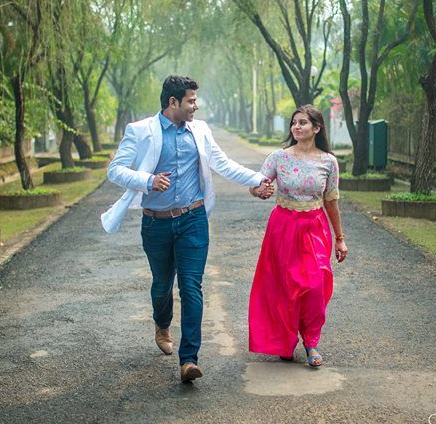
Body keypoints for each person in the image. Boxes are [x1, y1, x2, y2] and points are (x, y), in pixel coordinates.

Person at [102, 75, 275, 382]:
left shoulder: (200, 130)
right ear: (173, 102)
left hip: (193, 219)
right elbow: (115, 170)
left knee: (192, 286)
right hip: (155, 222)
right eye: (191, 101)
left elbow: (222, 163)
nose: (196, 106)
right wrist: (148, 181)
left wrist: (257, 180)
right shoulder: (140, 131)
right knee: (161, 285)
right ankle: (162, 322)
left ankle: (189, 359)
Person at [247, 104, 348, 367]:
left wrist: (339, 237)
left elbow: (332, 201)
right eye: (294, 123)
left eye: (303, 122)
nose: (296, 127)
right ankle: (285, 339)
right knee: (285, 286)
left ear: (316, 128)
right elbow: (257, 185)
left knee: (315, 285)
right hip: (283, 227)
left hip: (315, 227)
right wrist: (260, 191)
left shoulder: (329, 162)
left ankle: (312, 342)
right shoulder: (278, 158)